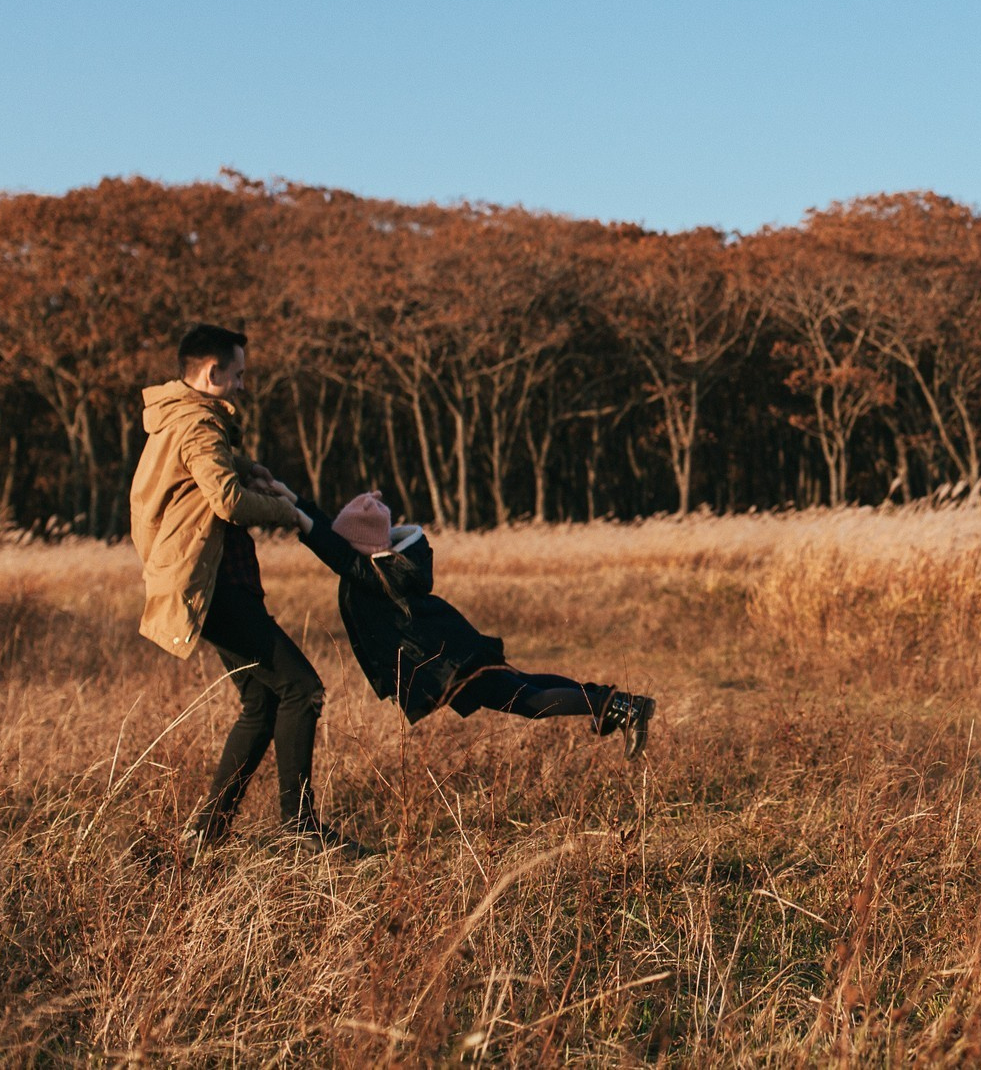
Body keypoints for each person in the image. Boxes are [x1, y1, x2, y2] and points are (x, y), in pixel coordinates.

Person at [129, 324, 369, 856]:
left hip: (212, 576)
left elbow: (202, 477)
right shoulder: (197, 423)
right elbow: (228, 503)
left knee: (261, 700)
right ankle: (301, 829)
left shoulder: (179, 418)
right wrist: (288, 512)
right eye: (237, 375)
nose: (242, 385)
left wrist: (246, 466)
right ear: (212, 374)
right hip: (212, 583)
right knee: (302, 689)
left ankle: (209, 830)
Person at [281, 490, 656, 753]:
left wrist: (296, 516)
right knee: (523, 683)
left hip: (448, 661)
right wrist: (289, 496)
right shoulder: (381, 565)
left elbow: (331, 548)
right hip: (452, 649)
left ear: (359, 547)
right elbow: (332, 535)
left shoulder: (376, 573)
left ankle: (621, 707)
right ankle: (608, 701)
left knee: (527, 699)